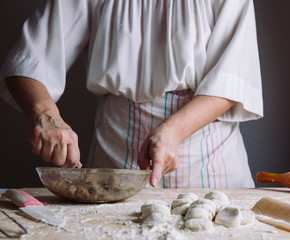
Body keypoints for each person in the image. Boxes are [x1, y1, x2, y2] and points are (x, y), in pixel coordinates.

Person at [0, 0, 263, 188]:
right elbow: (28, 61)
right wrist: (46, 115)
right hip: (114, 153)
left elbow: (232, 79)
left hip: (207, 160)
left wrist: (173, 131)